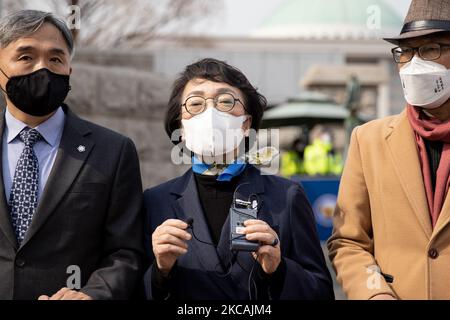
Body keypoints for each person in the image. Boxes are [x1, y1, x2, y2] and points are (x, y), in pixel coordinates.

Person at [143, 58, 334, 300]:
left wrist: (278, 269)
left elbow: (321, 292)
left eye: (225, 101)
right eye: (195, 103)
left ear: (246, 123)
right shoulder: (155, 202)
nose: (210, 113)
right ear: (180, 126)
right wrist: (160, 272)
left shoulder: (286, 196)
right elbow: (132, 290)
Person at [0, 10, 144, 300]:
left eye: (55, 59)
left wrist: (92, 295)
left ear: (69, 70)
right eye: (25, 57)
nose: (42, 69)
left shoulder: (113, 151)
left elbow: (126, 251)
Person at [328, 0, 450, 299]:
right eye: (405, 52)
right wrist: (373, 294)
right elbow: (348, 241)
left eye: (430, 49)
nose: (413, 64)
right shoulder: (368, 139)